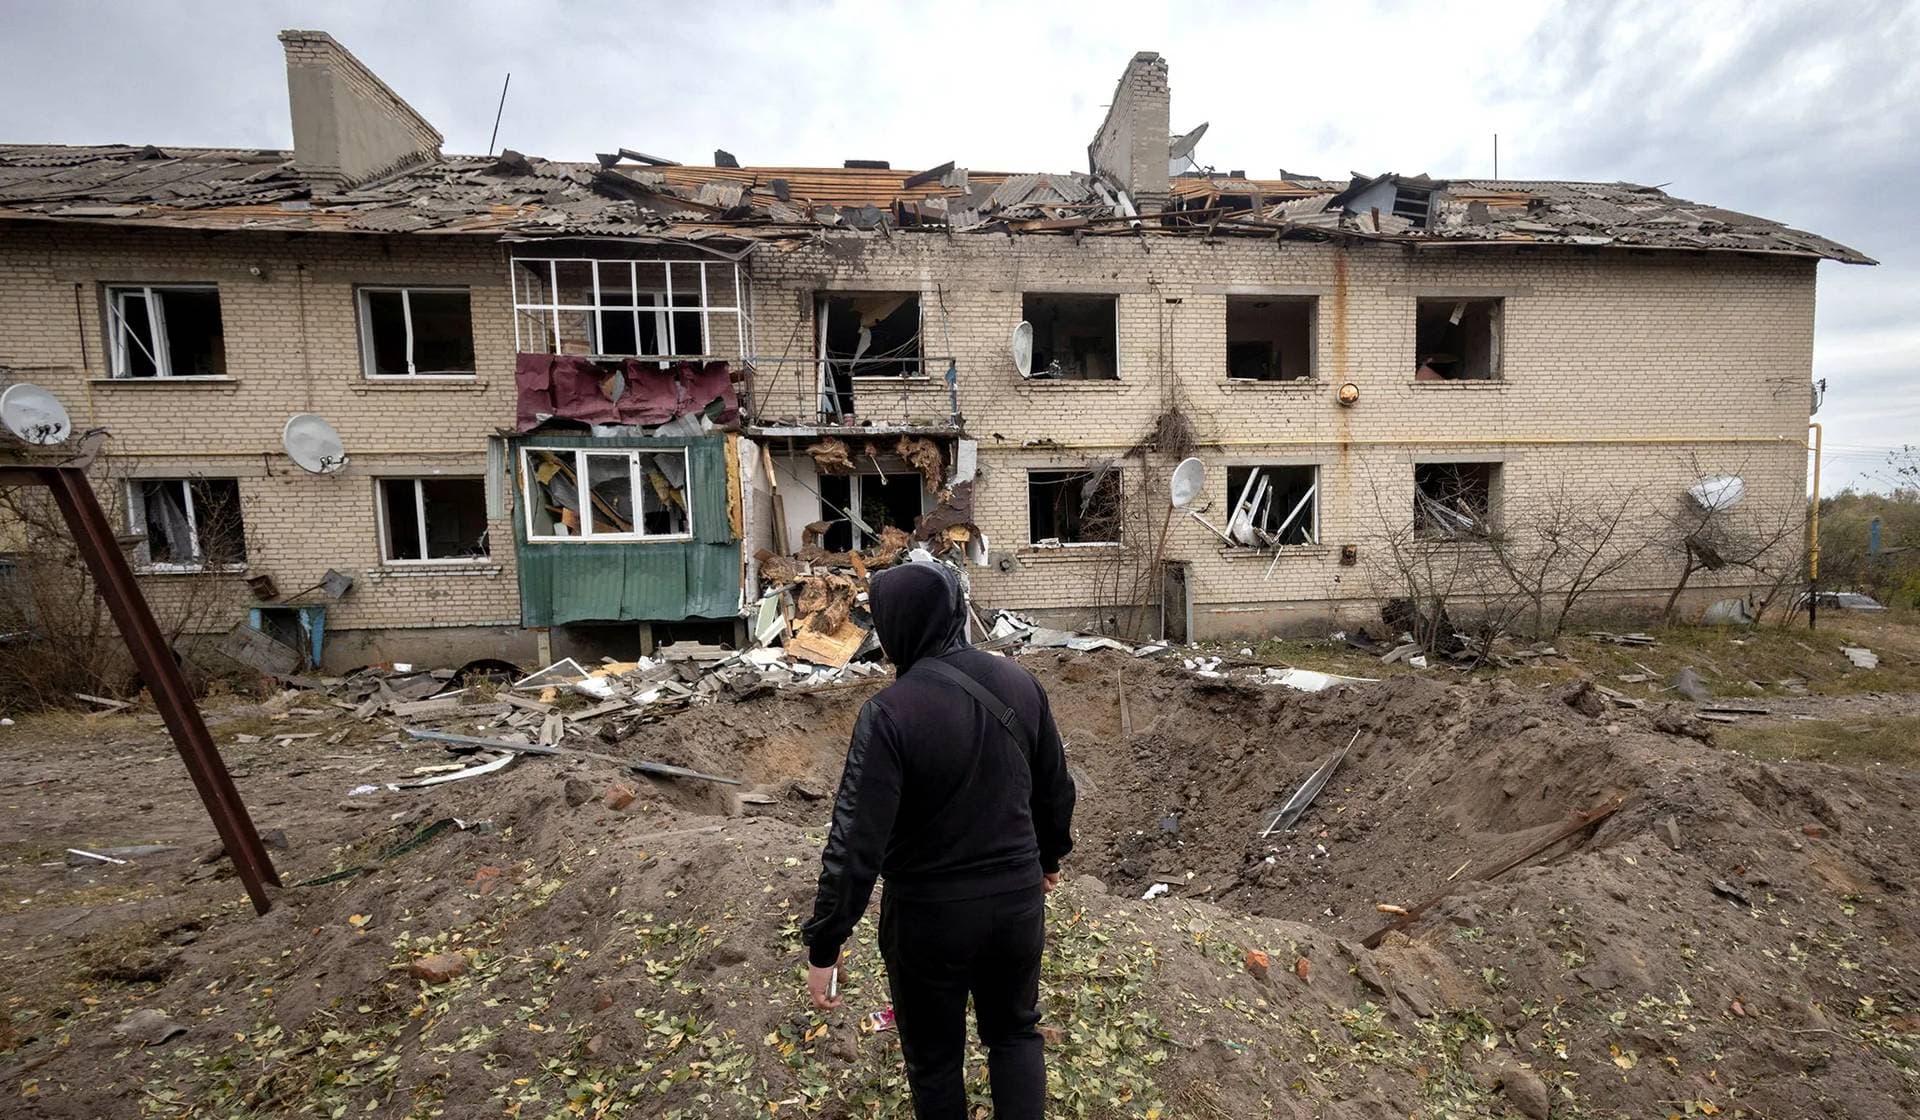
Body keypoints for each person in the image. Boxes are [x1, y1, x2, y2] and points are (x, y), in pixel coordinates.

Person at [802, 561, 1076, 1120]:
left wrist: (826, 944)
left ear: (898, 625)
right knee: (1016, 1035)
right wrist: (1048, 858)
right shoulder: (1020, 682)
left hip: (929, 919)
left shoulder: (889, 713)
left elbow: (855, 842)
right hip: (1016, 902)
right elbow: (1055, 788)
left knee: (935, 1063)